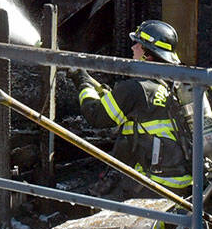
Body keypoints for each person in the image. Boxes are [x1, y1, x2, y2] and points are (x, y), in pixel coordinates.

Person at [77, 20, 193, 199]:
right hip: (182, 181)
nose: (133, 48)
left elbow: (97, 116)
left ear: (148, 53)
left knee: (97, 202)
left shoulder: (136, 88)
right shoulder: (173, 83)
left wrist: (83, 84)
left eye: (138, 44)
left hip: (153, 184)